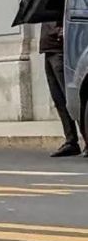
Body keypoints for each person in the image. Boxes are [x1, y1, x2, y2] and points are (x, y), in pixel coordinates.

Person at [40, 21, 82, 157]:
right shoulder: (44, 2)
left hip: (59, 49)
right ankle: (71, 141)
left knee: (72, 99)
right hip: (48, 49)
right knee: (59, 100)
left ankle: (86, 140)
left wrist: (61, 31)